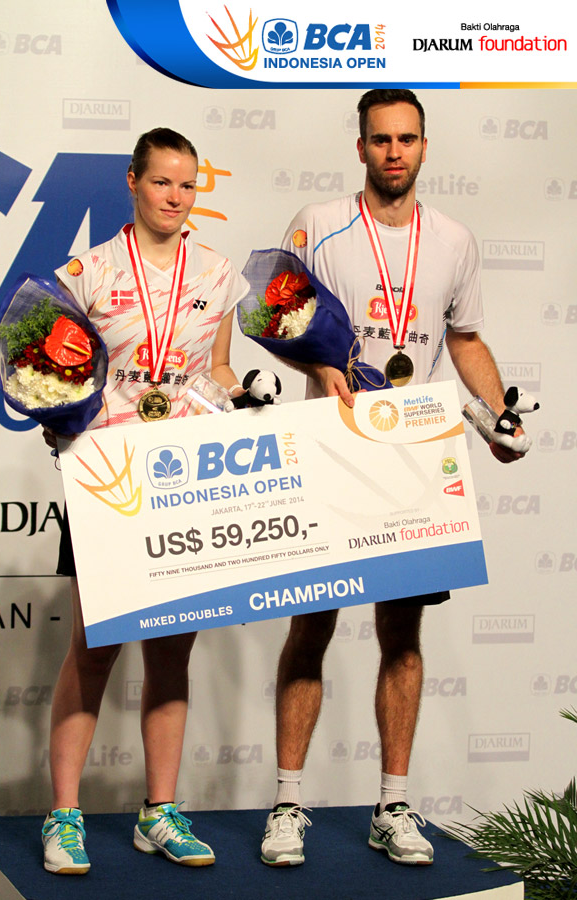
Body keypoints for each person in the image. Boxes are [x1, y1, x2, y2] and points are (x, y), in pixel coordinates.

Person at [260, 89, 525, 868]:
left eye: (407, 138)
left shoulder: (454, 240)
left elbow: (465, 339)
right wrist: (320, 366)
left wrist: (499, 413)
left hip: (415, 456)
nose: (394, 152)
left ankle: (394, 805)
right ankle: (287, 803)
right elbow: (275, 319)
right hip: (331, 446)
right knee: (312, 624)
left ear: (424, 146)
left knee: (402, 633)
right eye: (381, 139)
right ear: (361, 148)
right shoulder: (317, 224)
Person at [41, 128, 248, 874]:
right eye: (162, 181)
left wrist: (242, 397)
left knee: (171, 649)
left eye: (188, 185)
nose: (175, 197)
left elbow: (218, 368)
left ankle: (159, 811)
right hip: (106, 478)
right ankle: (63, 817)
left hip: (184, 480)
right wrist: (56, 413)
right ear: (132, 181)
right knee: (93, 649)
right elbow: (54, 369)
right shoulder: (88, 272)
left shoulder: (218, 272)